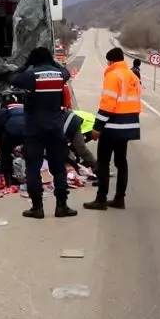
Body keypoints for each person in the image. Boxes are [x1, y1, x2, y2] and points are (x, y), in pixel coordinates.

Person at [10, 46, 76, 219]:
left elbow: (13, 78)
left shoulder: (32, 76)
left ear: (34, 60)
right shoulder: (59, 75)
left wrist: (26, 65)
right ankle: (62, 206)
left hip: (34, 129)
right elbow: (66, 72)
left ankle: (37, 207)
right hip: (55, 128)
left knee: (33, 168)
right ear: (49, 59)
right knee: (58, 169)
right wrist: (54, 62)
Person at [84, 47, 141, 211]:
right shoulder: (132, 76)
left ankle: (101, 199)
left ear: (111, 61)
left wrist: (97, 127)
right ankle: (119, 199)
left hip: (112, 126)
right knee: (121, 162)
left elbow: (108, 104)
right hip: (129, 125)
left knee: (103, 163)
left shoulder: (112, 75)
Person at [0, 94, 25, 189]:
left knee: (5, 155)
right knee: (28, 156)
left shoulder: (4, 110)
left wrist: (0, 148)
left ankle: (8, 180)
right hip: (26, 133)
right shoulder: (25, 108)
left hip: (10, 134)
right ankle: (29, 179)